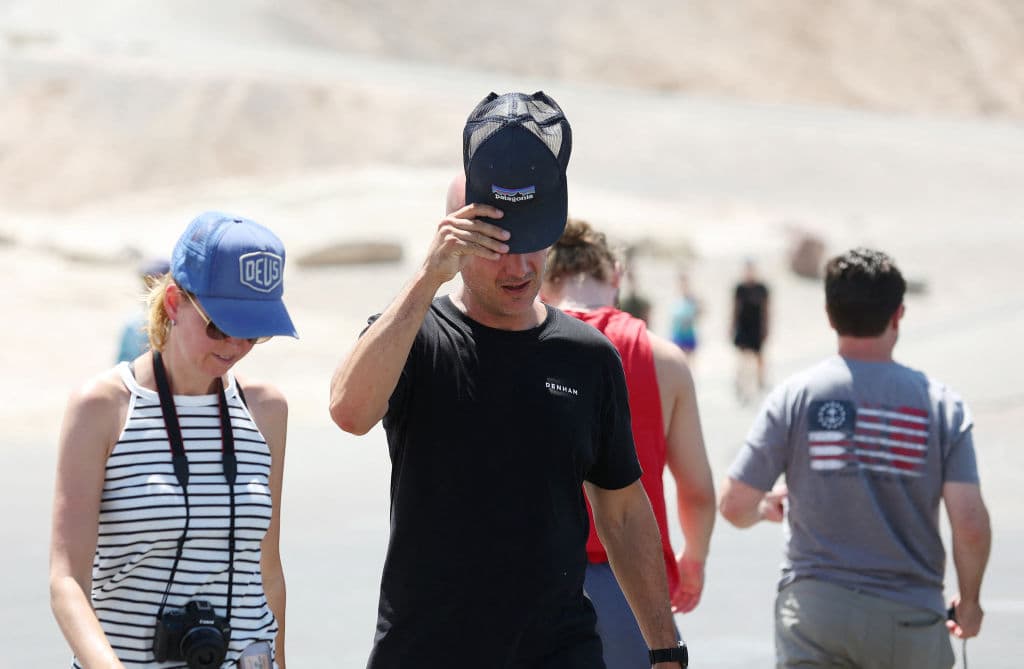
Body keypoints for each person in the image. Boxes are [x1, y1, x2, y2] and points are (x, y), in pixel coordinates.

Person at [329, 91, 687, 669]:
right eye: (495, 248)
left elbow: (621, 511)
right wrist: (427, 277)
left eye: (530, 246)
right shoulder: (415, 336)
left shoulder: (587, 357)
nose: (518, 268)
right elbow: (349, 411)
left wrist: (665, 648)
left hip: (557, 652)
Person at [719, 248, 991, 668]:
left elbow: (734, 505)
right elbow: (969, 523)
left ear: (829, 314)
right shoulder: (942, 406)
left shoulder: (796, 396)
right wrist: (969, 602)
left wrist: (763, 509)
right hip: (909, 618)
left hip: (815, 614)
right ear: (898, 314)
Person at [50, 212, 298, 668]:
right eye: (220, 326)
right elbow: (66, 580)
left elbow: (268, 572)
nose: (236, 346)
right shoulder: (102, 407)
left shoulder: (267, 410)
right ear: (172, 302)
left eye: (254, 332)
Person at [541, 218, 715, 669]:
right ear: (615, 274)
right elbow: (696, 490)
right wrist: (691, 562)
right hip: (634, 589)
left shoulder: (527, 347)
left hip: (541, 583)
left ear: (545, 277)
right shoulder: (663, 358)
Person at [115, 257, 171, 363]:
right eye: (148, 284)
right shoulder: (133, 325)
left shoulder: (176, 324)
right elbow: (122, 363)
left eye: (154, 284)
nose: (151, 289)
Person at [732, 258, 770, 400]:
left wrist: (766, 328)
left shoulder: (762, 288)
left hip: (757, 327)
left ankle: (761, 382)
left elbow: (767, 310)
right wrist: (731, 327)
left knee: (759, 357)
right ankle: (740, 382)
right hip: (743, 326)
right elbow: (734, 308)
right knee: (742, 357)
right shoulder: (740, 288)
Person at [668, 272, 701, 359]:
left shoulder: (692, 299)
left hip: (689, 333)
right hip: (678, 333)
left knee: (689, 360)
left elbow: (699, 313)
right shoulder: (675, 297)